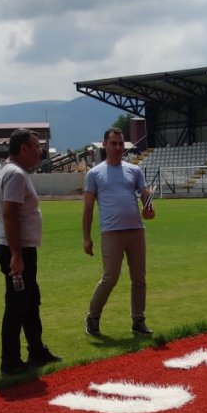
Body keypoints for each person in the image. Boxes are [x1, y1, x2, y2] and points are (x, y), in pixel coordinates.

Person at [0, 129, 61, 376]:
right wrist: (16, 254)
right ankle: (10, 361)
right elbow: (10, 213)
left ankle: (36, 349)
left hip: (14, 246)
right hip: (18, 249)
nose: (40, 152)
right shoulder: (15, 174)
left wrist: (2, 223)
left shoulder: (2, 169)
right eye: (36, 146)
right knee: (16, 304)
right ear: (23, 148)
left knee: (30, 300)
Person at [81, 128, 156, 337]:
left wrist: (149, 208)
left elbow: (146, 197)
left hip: (136, 230)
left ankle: (138, 320)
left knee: (139, 278)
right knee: (110, 278)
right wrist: (86, 237)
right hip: (111, 232)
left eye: (121, 143)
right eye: (113, 143)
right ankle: (93, 317)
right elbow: (88, 208)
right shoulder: (94, 173)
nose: (117, 147)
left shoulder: (134, 170)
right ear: (104, 145)